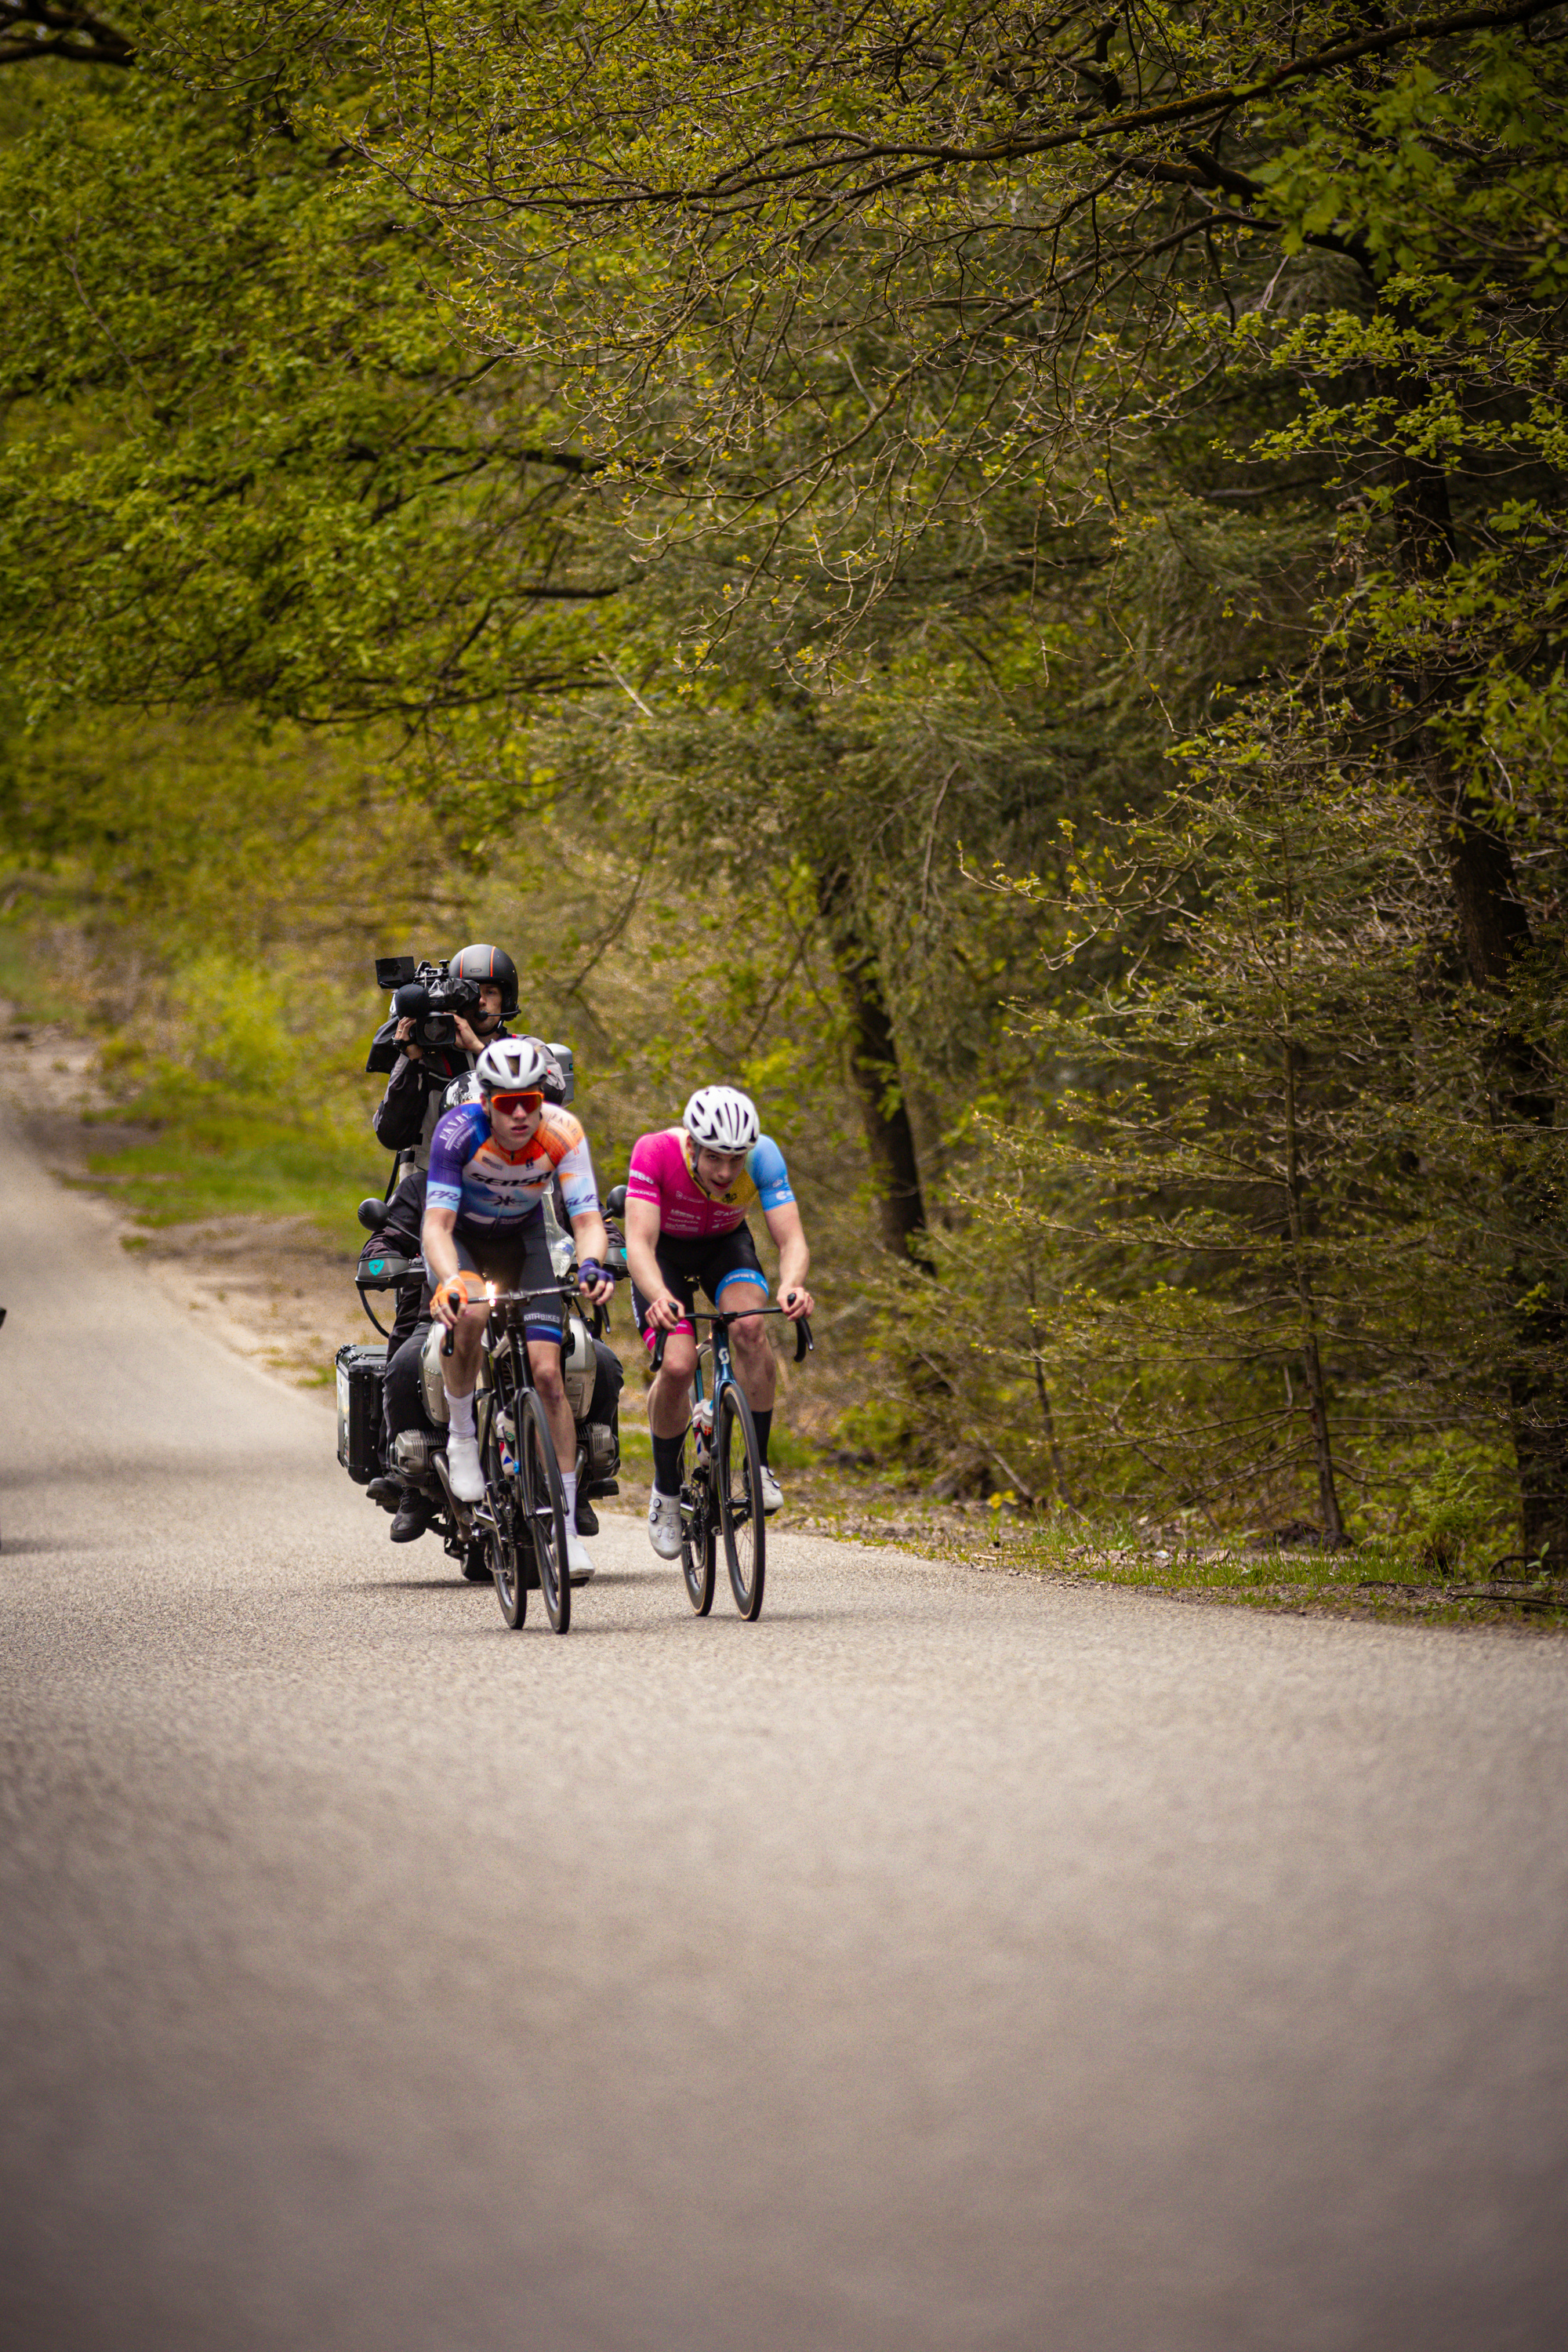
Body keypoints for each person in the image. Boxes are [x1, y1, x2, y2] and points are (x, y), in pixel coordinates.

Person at [423, 1035, 614, 1581]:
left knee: (551, 1374)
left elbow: (585, 1220)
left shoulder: (562, 1132)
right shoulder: (457, 1132)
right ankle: (462, 1436)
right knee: (475, 1311)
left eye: (529, 1101)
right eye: (507, 1104)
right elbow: (435, 1225)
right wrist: (451, 1282)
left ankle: (568, 1530)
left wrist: (592, 1265)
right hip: (462, 1240)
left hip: (525, 1239)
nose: (520, 1115)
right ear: (486, 1102)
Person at [623, 1086, 814, 1561]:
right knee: (679, 1364)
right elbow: (640, 1244)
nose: (727, 1172)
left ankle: (758, 1466)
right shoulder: (655, 1152)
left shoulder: (763, 1157)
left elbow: (791, 1239)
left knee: (750, 1326)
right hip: (663, 1254)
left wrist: (792, 1285)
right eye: (714, 1159)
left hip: (724, 1246)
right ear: (692, 1145)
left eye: (735, 1159)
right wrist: (661, 1298)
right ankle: (666, 1490)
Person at [368, 943, 520, 1167]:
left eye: (490, 992)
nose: (480, 1000)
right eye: (472, 992)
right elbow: (392, 1135)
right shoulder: (428, 1054)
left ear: (506, 999)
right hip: (426, 1184)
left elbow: (550, 1092)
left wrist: (479, 1049)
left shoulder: (524, 1049)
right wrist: (410, 1058)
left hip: (507, 1183)